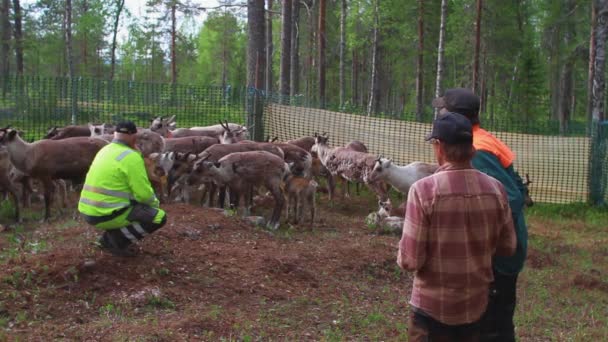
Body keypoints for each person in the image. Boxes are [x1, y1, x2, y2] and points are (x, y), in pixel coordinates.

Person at [397, 112, 516, 342]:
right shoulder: (497, 189)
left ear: (439, 147)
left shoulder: (423, 191)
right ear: (471, 147)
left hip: (431, 313)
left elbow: (410, 261)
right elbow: (508, 247)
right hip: (477, 309)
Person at [432, 88, 528, 341]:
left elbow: (513, 197)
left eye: (443, 110)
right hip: (502, 251)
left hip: (498, 256)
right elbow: (518, 186)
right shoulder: (481, 138)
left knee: (491, 328)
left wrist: (483, 239)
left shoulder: (478, 150)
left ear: (456, 117)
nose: (439, 113)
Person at [78, 121, 167, 257]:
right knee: (158, 217)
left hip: (87, 211)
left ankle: (109, 238)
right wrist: (154, 206)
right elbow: (143, 195)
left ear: (115, 134)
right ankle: (115, 242)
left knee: (133, 206)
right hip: (105, 214)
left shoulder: (104, 150)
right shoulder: (131, 157)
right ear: (134, 136)